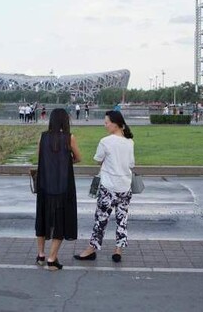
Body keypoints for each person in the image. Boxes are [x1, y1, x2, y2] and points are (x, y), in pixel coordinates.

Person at [74, 110, 135, 263]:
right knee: (122, 219)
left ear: (115, 124)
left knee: (101, 219)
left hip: (109, 187)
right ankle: (118, 250)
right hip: (125, 187)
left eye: (107, 122)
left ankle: (91, 249)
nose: (105, 124)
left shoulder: (105, 141)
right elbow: (131, 164)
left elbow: (97, 159)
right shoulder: (130, 142)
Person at [34, 108, 81, 271]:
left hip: (45, 186)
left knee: (42, 219)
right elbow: (78, 158)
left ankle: (40, 254)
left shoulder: (43, 137)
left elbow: (40, 157)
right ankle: (52, 259)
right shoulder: (69, 138)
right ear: (65, 121)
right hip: (62, 186)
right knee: (60, 222)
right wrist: (66, 161)